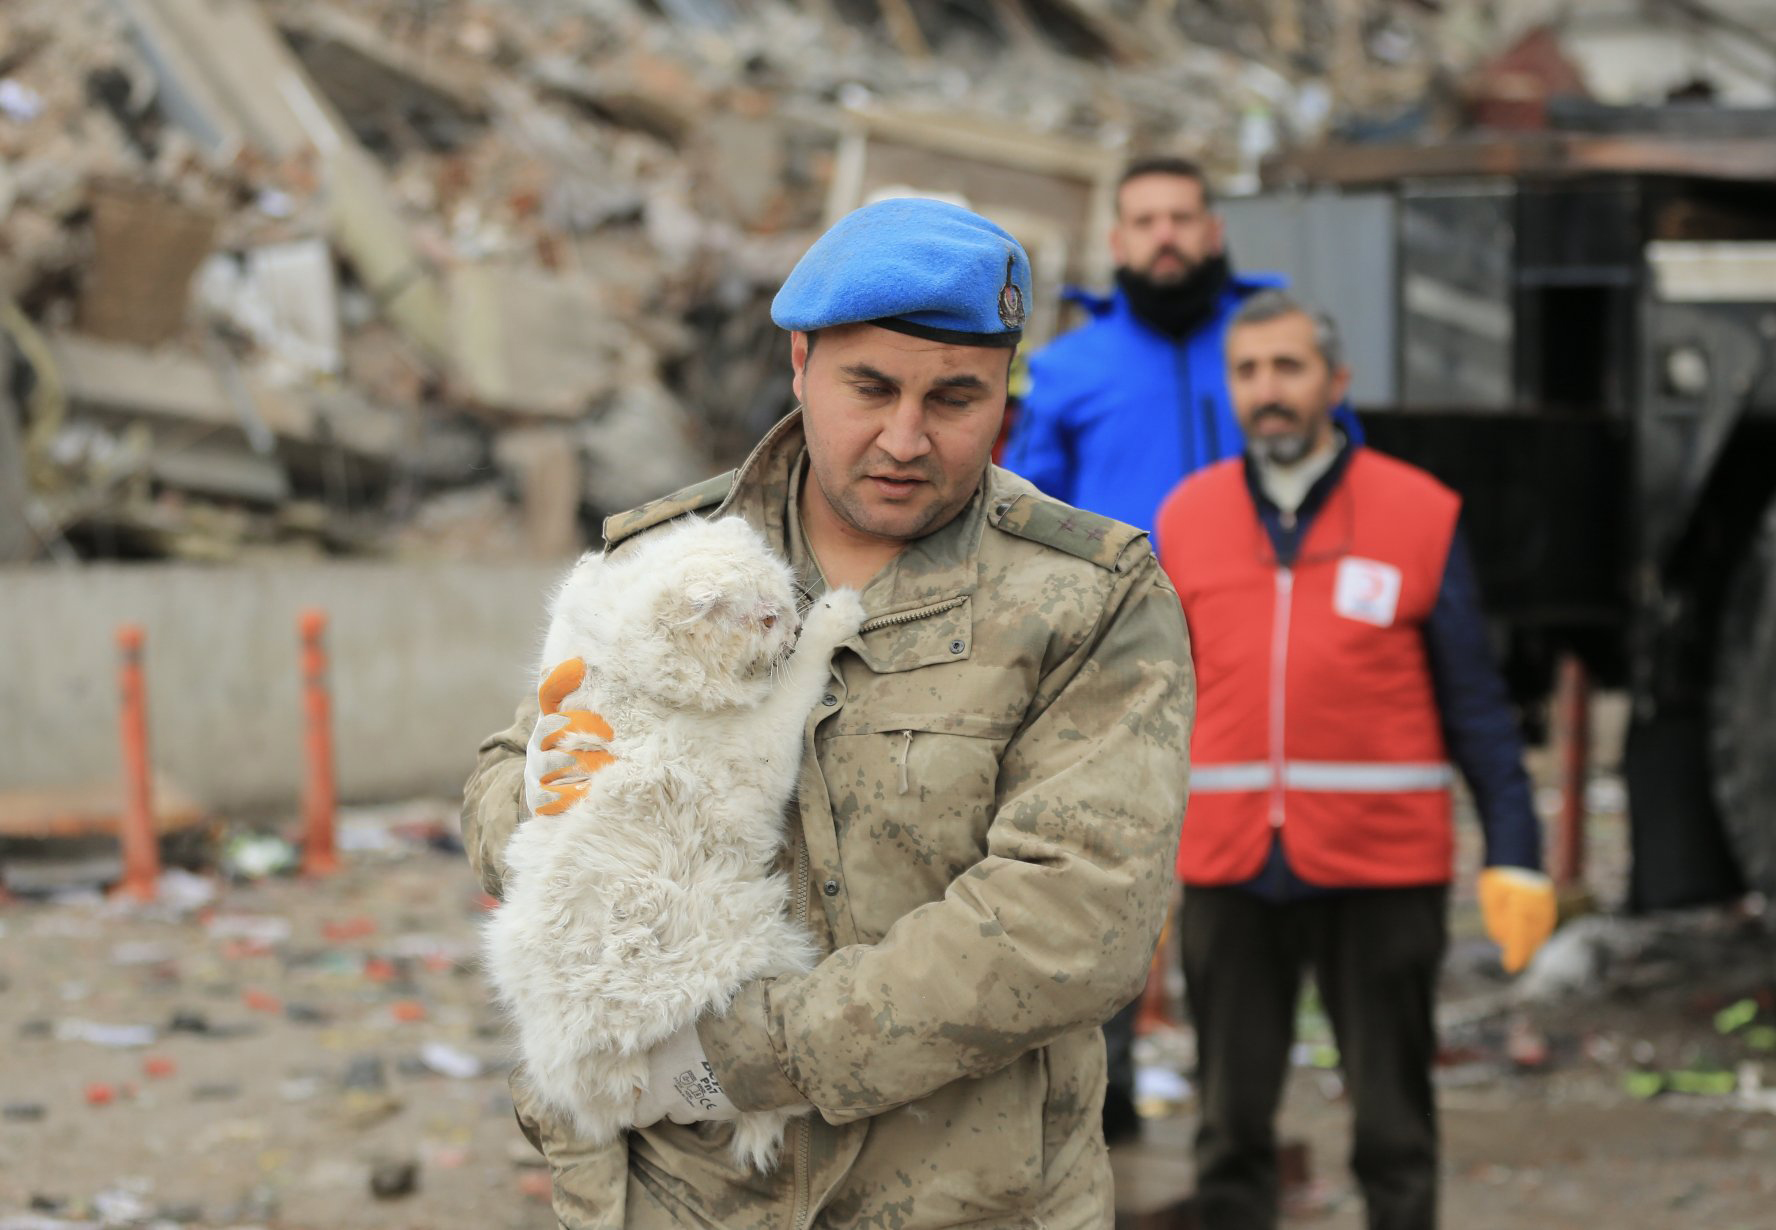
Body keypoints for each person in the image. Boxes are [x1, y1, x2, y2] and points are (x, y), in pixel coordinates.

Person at [461, 196, 1195, 1229]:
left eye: (955, 398)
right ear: (800, 363)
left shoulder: (1086, 601)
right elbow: (505, 775)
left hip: (962, 1201)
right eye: (871, 387)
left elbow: (1077, 918)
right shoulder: (669, 563)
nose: (906, 438)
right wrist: (541, 806)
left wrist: (745, 1058)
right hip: (682, 1198)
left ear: (1006, 397)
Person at [1152, 290, 1557, 1230]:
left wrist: (1518, 848)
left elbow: (1477, 708)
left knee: (1392, 1132)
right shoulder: (1189, 518)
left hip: (1382, 873)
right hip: (1229, 872)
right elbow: (1153, 711)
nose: (1269, 391)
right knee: (1228, 1130)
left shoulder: (1418, 514)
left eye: (1288, 368)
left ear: (1336, 380)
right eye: (1248, 372)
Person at [1000, 157, 1360, 1140]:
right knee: (1109, 875)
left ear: (1214, 230)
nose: (1165, 236)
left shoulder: (1264, 353)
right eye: (1145, 220)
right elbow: (1024, 527)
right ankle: (1104, 1105)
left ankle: (1238, 1118)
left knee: (1250, 888)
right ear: (1117, 243)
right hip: (1118, 671)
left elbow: (1345, 483)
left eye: (1183, 218)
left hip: (1263, 666)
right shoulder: (1069, 371)